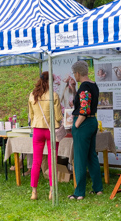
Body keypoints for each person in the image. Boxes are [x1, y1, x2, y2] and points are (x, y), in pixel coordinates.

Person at [69, 60, 103, 199]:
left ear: (77, 73)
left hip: (83, 123)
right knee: (91, 156)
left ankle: (79, 192)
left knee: (79, 159)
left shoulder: (84, 87)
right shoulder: (93, 85)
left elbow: (84, 109)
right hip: (92, 121)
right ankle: (98, 188)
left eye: (74, 74)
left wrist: (76, 125)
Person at [28, 72, 63, 200]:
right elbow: (58, 116)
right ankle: (51, 191)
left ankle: (34, 192)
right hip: (51, 130)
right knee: (52, 161)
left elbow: (31, 115)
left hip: (37, 129)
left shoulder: (32, 95)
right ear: (50, 82)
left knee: (36, 161)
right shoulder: (54, 95)